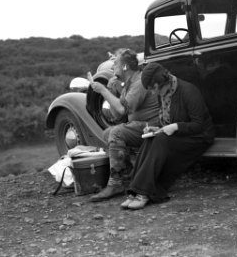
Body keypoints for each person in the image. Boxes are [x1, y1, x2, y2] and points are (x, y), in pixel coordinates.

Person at [121, 62, 215, 210]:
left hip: (199, 136)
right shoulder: (164, 92)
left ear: (159, 83)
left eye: (152, 89)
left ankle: (144, 192)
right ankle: (135, 189)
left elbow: (199, 125)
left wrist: (176, 127)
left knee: (160, 140)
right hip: (179, 132)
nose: (152, 93)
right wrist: (155, 127)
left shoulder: (188, 91)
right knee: (150, 139)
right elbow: (166, 120)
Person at [88, 48, 159, 202]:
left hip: (152, 126)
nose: (113, 68)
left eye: (116, 64)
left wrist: (102, 92)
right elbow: (117, 115)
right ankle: (128, 174)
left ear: (125, 67)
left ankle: (115, 183)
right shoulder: (128, 83)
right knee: (107, 133)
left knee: (116, 133)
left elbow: (122, 109)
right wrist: (113, 91)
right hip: (139, 125)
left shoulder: (139, 82)